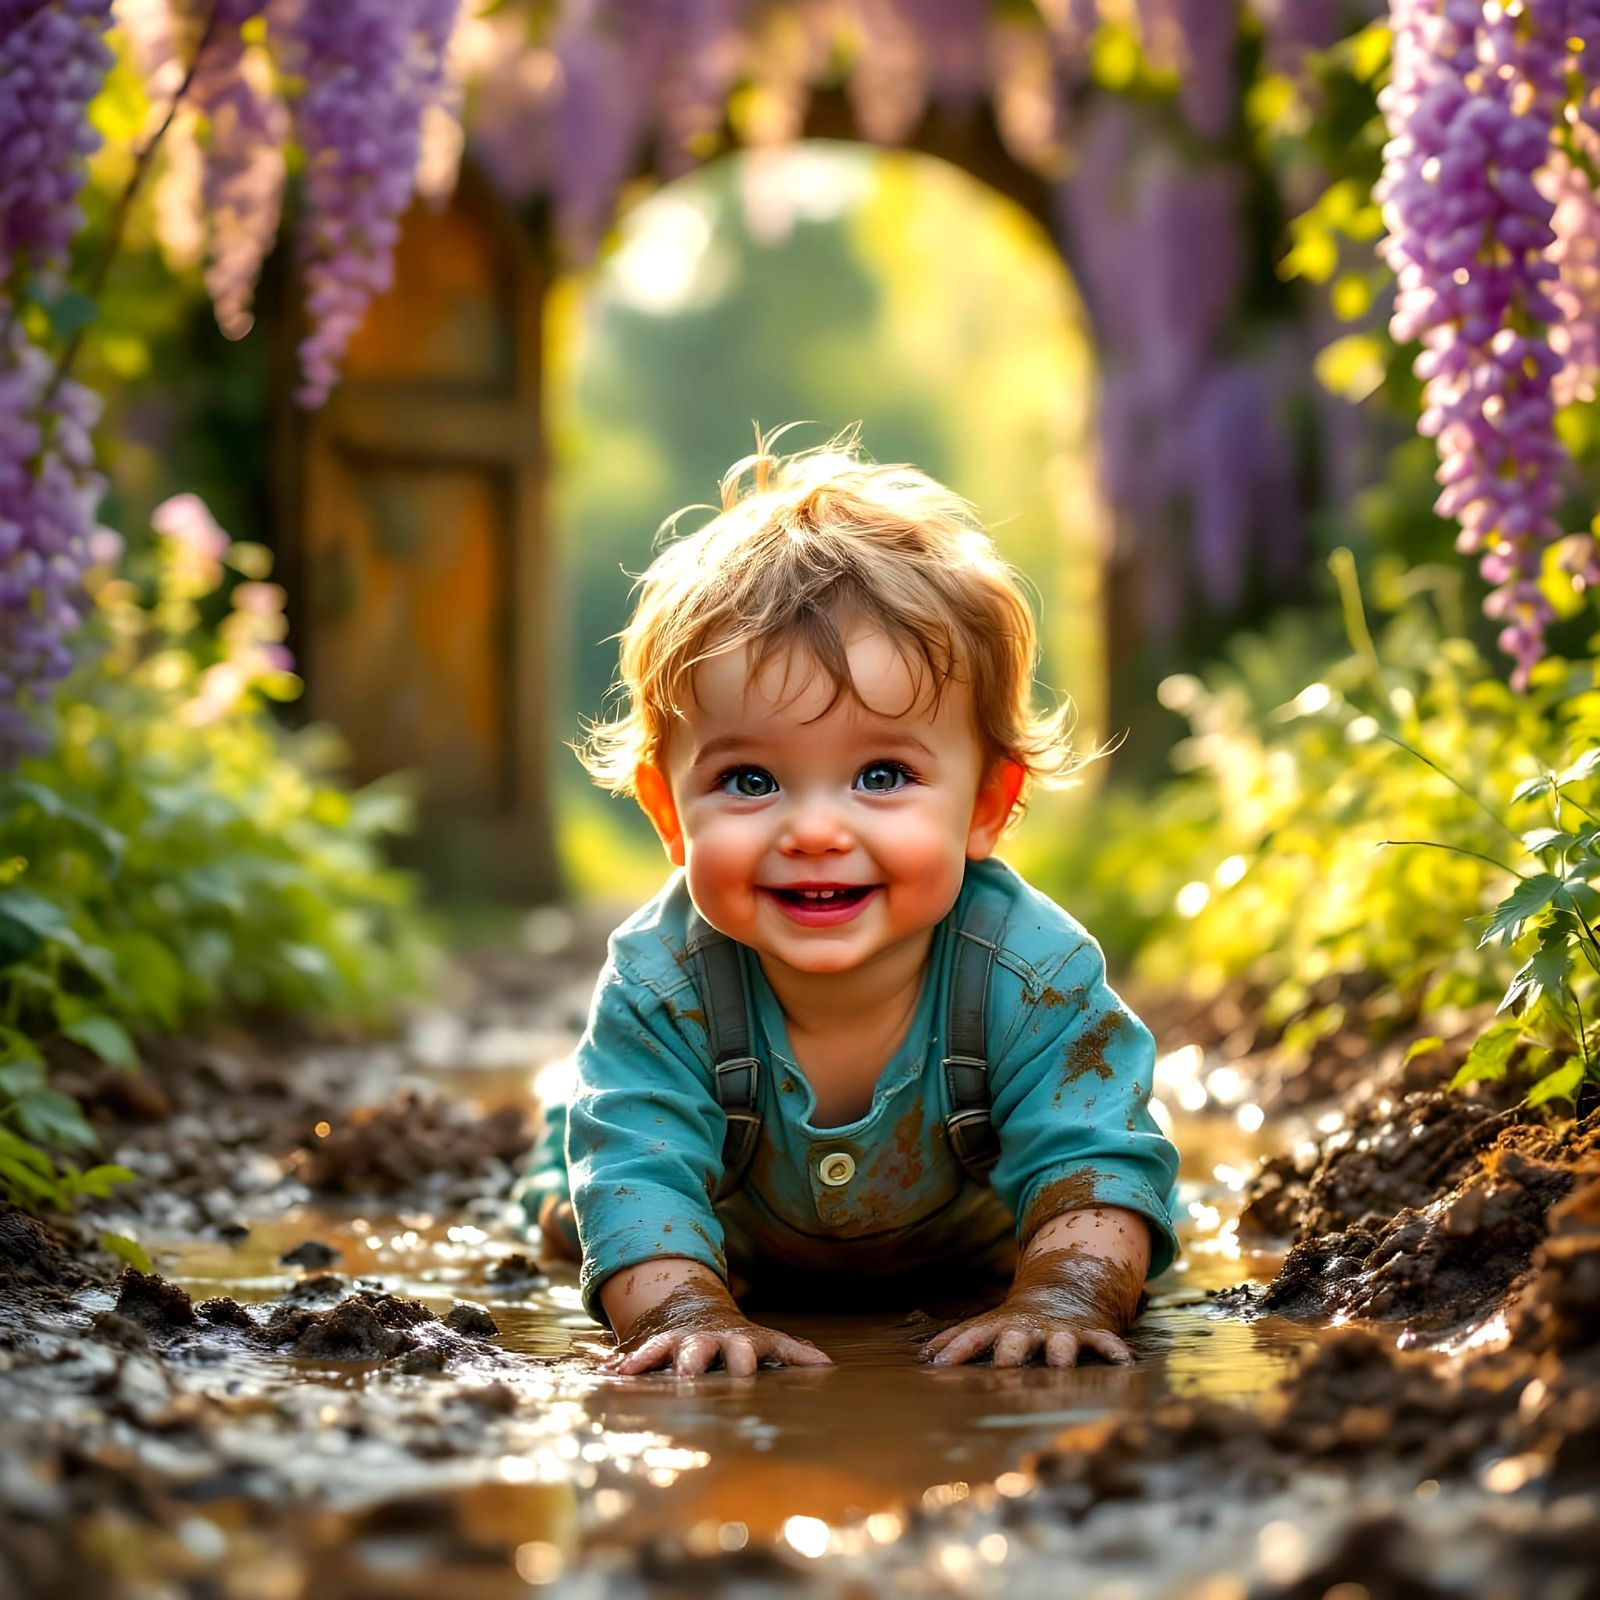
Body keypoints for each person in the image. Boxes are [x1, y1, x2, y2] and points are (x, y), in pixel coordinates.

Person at [515, 427, 1181, 1377]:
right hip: (736, 1238)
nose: (816, 830)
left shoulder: (1033, 975)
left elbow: (1101, 1161)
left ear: (986, 806)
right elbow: (638, 1174)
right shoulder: (666, 985)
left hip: (973, 1243)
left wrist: (1065, 1295)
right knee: (577, 1208)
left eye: (880, 773)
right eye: (750, 782)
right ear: (670, 812)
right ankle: (558, 1135)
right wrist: (685, 1309)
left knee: (1126, 1205)